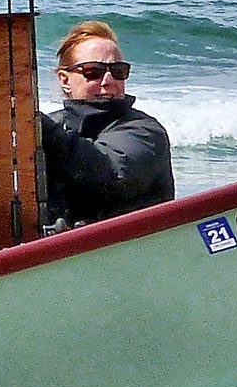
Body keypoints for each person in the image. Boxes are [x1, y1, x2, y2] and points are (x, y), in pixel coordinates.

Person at [40, 19, 174, 230]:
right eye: (93, 71)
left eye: (118, 71)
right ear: (65, 80)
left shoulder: (145, 131)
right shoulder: (52, 126)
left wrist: (41, 129)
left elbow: (110, 174)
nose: (108, 80)